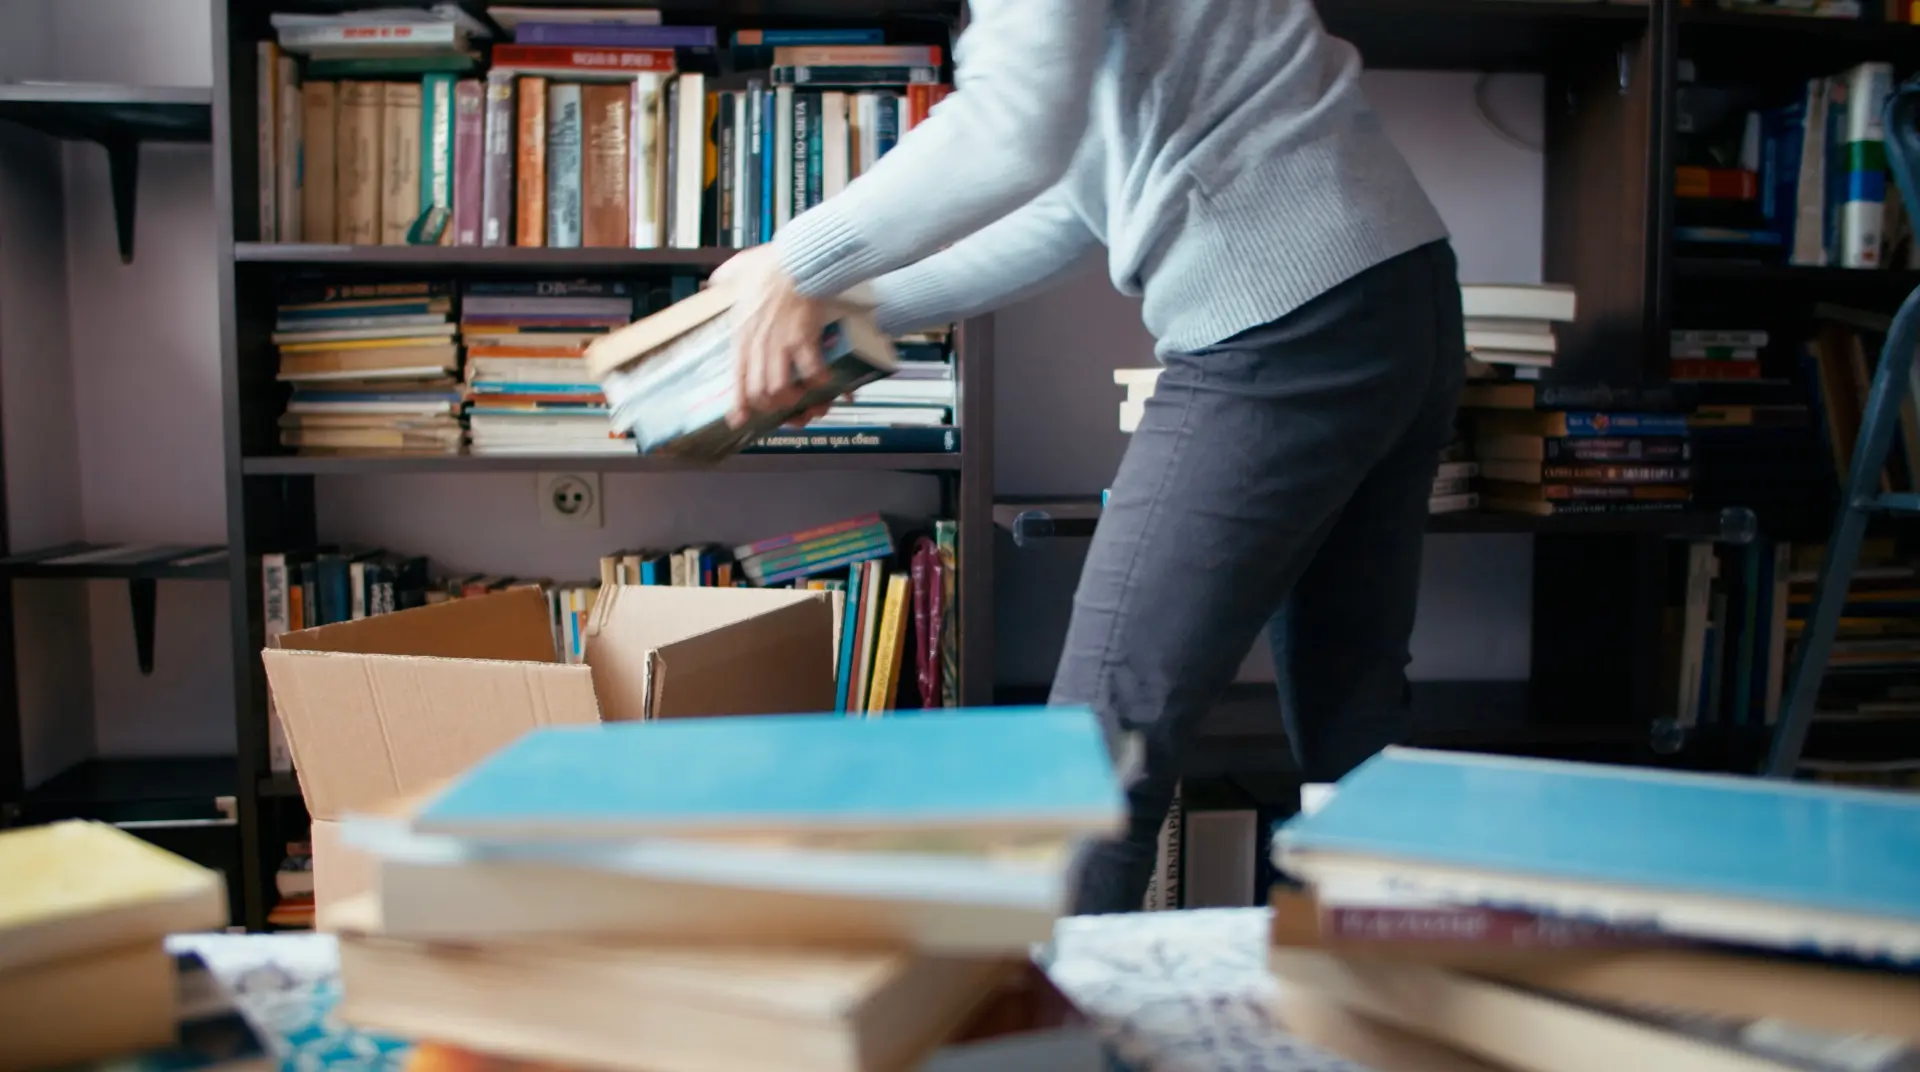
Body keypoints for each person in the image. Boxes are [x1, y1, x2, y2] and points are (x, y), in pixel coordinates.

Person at [715, 0, 1466, 914]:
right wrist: (854, 318)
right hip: (1393, 284)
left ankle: (1049, 1036)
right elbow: (1070, 209)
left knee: (1098, 748)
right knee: (1352, 716)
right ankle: (1395, 1010)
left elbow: (1008, 129)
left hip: (1283, 316)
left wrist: (795, 264)